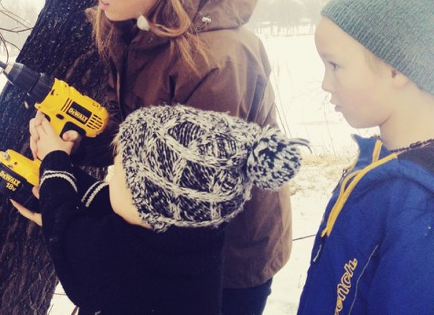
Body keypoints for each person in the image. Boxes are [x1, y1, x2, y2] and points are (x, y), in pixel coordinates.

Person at [34, 0, 290, 314]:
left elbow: (183, 210)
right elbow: (147, 137)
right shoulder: (135, 25)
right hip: (166, 240)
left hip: (224, 269)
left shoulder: (217, 63)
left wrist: (63, 205)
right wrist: (91, 144)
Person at [15, 104, 304, 315]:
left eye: (118, 173)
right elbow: (118, 212)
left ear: (147, 204)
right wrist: (63, 180)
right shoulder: (191, 231)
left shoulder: (131, 261)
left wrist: (55, 165)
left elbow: (68, 239)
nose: (112, 177)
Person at [297, 0, 434, 314]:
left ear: (395, 69)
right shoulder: (380, 166)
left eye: (335, 65)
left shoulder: (417, 204)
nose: (326, 83)